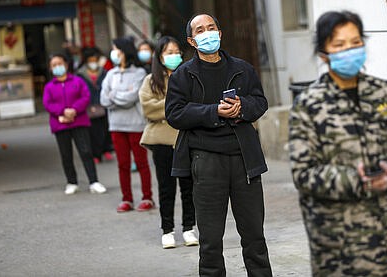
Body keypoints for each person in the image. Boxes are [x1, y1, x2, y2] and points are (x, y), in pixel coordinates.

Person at [289, 10, 387, 276]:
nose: (349, 50)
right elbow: (303, 173)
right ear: (323, 53)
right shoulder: (309, 105)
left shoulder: (383, 92)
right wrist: (356, 179)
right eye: (339, 45)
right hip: (343, 249)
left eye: (355, 42)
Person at [165, 14, 272, 276]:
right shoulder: (183, 75)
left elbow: (260, 102)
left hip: (244, 159)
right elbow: (175, 113)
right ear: (192, 40)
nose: (207, 33)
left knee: (255, 236)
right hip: (206, 159)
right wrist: (214, 112)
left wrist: (241, 107)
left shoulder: (242, 69)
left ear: (220, 34)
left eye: (211, 28)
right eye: (200, 30)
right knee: (211, 241)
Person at [139, 35, 198, 249]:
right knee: (166, 187)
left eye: (176, 52)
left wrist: (170, 107)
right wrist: (176, 105)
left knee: (188, 186)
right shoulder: (150, 80)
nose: (173, 56)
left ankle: (189, 228)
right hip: (161, 140)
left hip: (186, 138)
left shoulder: (189, 76)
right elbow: (148, 108)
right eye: (168, 52)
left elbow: (196, 104)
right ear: (160, 56)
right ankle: (167, 230)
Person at [100, 37, 154, 213]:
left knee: (141, 163)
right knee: (122, 164)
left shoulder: (139, 73)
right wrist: (120, 95)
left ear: (125, 51)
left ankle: (147, 197)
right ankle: (127, 199)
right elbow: (103, 99)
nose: (114, 53)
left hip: (135, 125)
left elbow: (132, 97)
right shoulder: (110, 74)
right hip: (116, 125)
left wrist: (114, 95)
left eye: (117, 49)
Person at [42, 53, 107, 195]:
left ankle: (93, 181)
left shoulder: (77, 81)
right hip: (60, 124)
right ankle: (72, 182)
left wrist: (74, 110)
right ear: (50, 68)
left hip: (79, 121)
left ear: (66, 64)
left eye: (59, 63)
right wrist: (62, 111)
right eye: (54, 65)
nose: (57, 67)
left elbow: (85, 96)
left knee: (86, 151)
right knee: (66, 155)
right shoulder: (49, 87)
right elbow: (47, 103)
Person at [77, 46, 114, 164]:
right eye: (90, 61)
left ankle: (106, 149)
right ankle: (95, 154)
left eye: (95, 60)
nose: (93, 63)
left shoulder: (104, 72)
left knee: (104, 129)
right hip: (88, 106)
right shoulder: (80, 74)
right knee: (92, 131)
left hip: (103, 104)